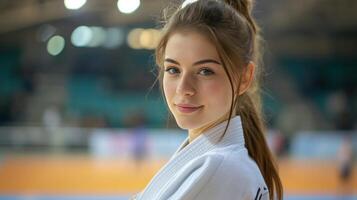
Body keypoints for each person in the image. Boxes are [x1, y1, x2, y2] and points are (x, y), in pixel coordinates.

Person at [133, 0, 283, 199]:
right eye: (173, 69)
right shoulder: (219, 163)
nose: (183, 88)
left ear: (244, 77)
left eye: (205, 71)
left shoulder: (220, 168)